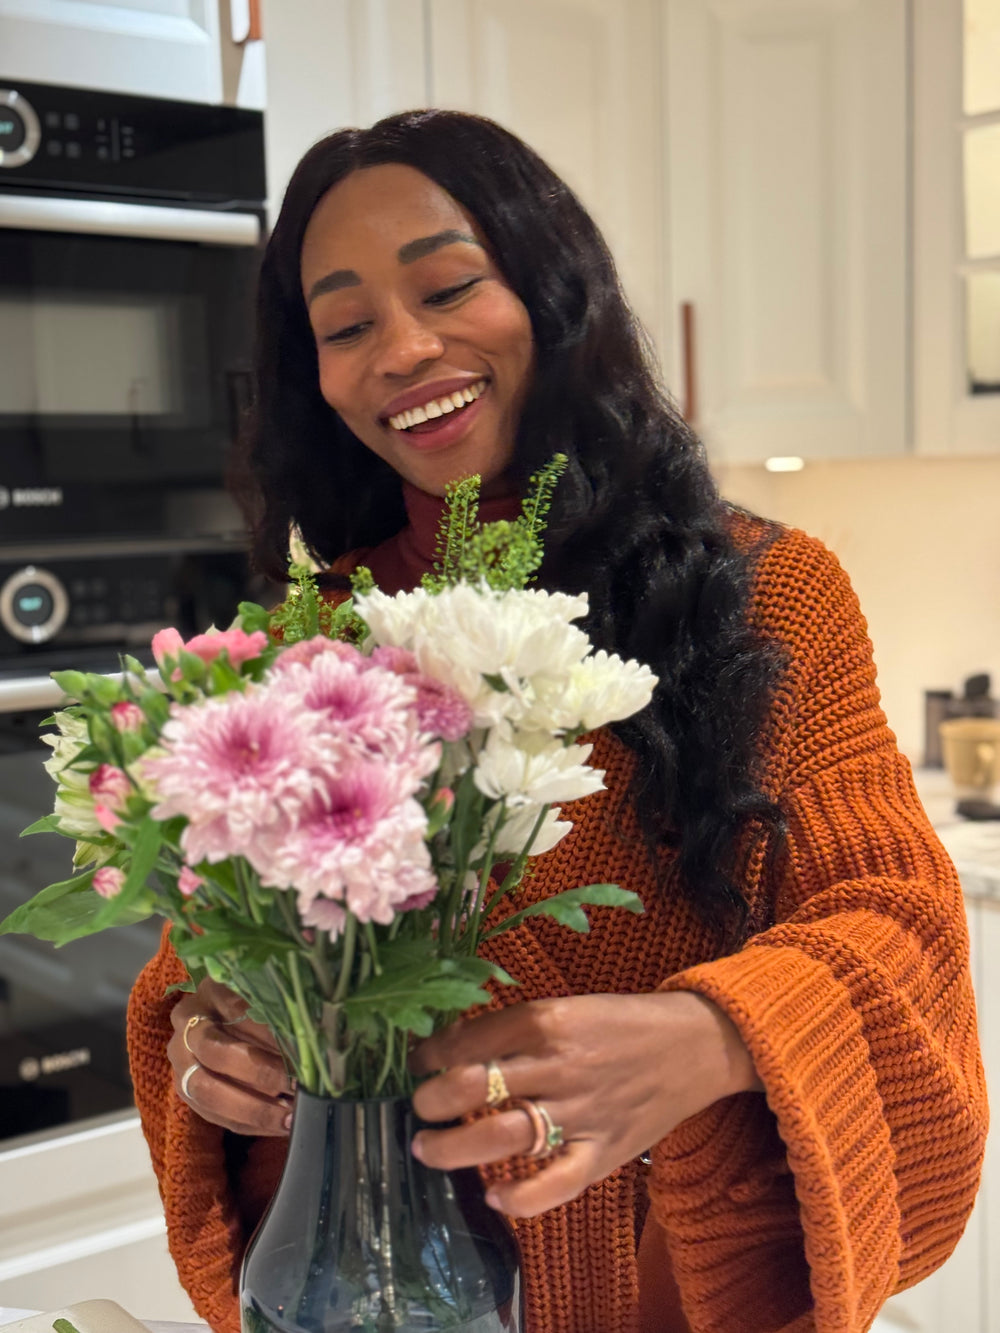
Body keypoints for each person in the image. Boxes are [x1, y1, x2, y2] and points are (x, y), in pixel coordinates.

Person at [126, 110, 987, 1333]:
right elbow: (208, 949)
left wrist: (709, 1036)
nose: (404, 349)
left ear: (551, 291)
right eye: (346, 324)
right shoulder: (317, 635)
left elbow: (897, 920)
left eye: (448, 286)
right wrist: (212, 1031)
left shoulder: (766, 593)